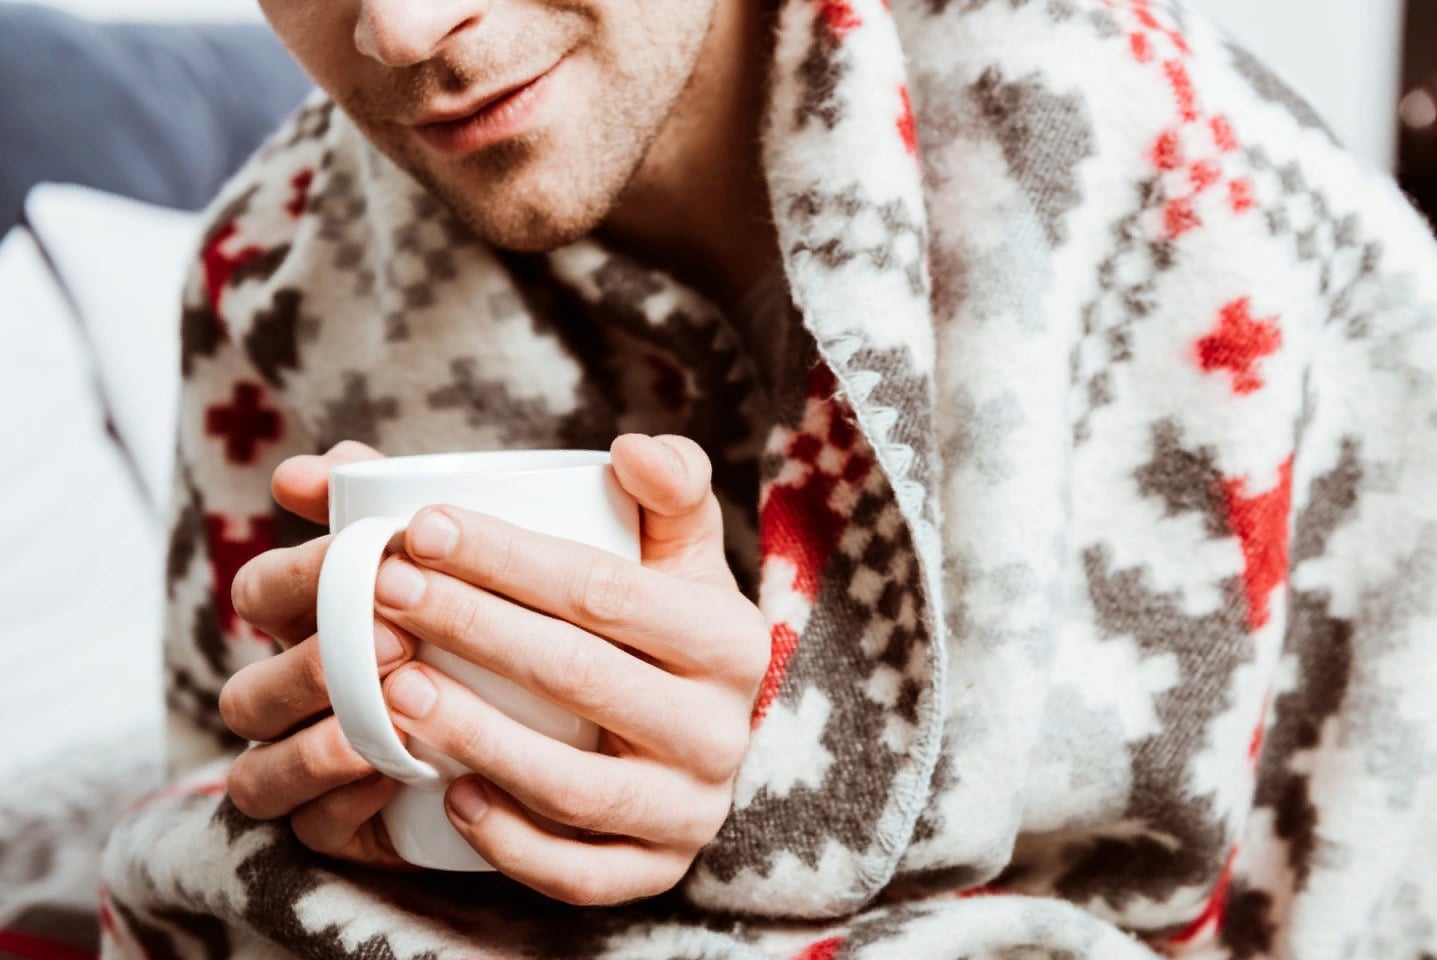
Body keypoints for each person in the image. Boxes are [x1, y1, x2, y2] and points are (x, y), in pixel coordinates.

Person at [101, 0, 1437, 957]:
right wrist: (325, 816)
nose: (402, 29)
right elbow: (221, 812)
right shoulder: (271, 271)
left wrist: (749, 801)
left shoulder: (1195, 212)